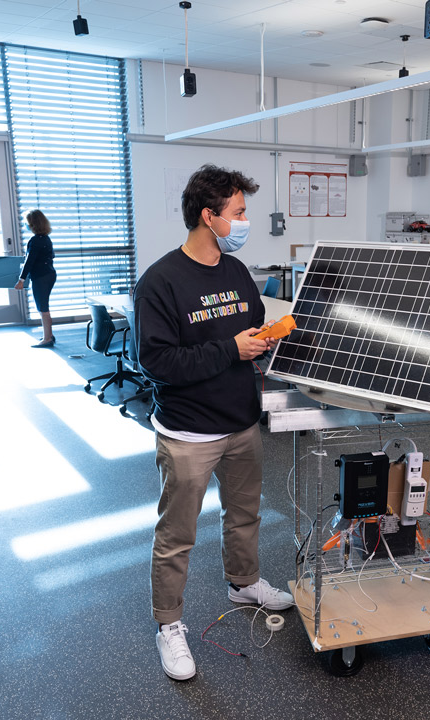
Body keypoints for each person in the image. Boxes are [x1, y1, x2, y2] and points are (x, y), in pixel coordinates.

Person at [133, 164, 294, 681]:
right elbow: (157, 363)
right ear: (209, 216)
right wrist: (231, 349)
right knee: (176, 536)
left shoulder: (236, 272)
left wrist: (260, 342)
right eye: (239, 212)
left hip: (242, 423)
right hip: (188, 433)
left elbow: (243, 336)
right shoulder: (160, 282)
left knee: (245, 516)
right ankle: (169, 627)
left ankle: (244, 582)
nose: (245, 220)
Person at [15, 210, 57, 348]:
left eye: (28, 223)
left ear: (33, 224)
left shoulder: (35, 241)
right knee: (44, 306)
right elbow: (51, 256)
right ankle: (48, 334)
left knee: (42, 307)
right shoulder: (46, 238)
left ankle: (47, 339)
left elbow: (29, 261)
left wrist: (21, 280)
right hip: (49, 274)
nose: (26, 225)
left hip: (41, 277)